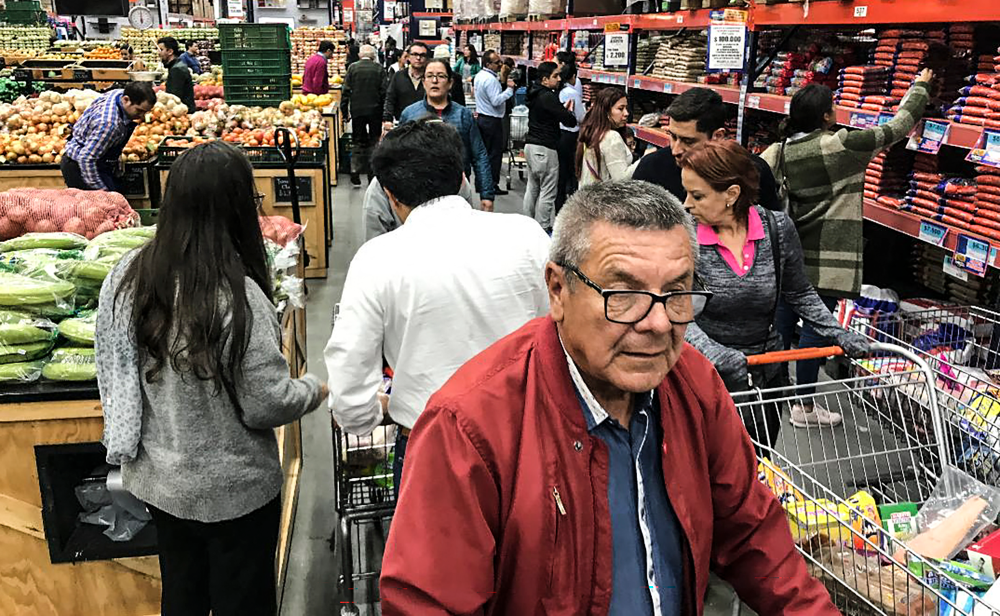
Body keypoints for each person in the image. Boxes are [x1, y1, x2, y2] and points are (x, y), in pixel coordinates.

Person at [379, 179, 841, 615]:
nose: (658, 323)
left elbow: (750, 532)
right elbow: (429, 602)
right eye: (623, 293)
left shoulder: (692, 385)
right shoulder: (471, 427)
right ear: (558, 290)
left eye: (677, 293)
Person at [96, 142, 328, 616]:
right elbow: (266, 403)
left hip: (161, 482)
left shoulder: (126, 275)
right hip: (236, 492)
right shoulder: (238, 297)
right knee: (241, 600)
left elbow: (115, 372)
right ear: (237, 209)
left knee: (183, 592)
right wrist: (314, 389)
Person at [325, 120, 550, 491]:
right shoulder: (528, 235)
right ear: (463, 178)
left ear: (390, 195)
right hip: (525, 439)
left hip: (432, 448)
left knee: (437, 549)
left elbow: (349, 386)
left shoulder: (377, 259)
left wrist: (369, 414)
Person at [762, 69, 933, 426]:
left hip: (788, 251)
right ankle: (804, 407)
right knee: (816, 327)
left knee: (781, 319)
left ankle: (770, 394)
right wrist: (920, 87)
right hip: (827, 256)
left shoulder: (780, 150)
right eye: (833, 106)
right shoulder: (840, 145)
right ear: (826, 115)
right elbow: (897, 127)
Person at [679, 140, 871, 446]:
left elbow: (799, 293)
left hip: (764, 373)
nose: (687, 204)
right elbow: (675, 310)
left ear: (731, 194)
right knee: (707, 464)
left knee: (757, 459)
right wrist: (718, 355)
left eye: (697, 195)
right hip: (702, 373)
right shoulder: (682, 234)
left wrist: (838, 333)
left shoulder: (776, 229)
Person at [632, 87, 782, 209]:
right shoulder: (651, 170)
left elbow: (768, 231)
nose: (675, 150)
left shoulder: (753, 172)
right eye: (673, 136)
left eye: (688, 141)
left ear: (717, 136)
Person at [399, 59, 494, 211]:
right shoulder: (410, 114)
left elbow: (479, 155)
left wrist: (487, 195)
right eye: (429, 76)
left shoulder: (463, 115)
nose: (434, 81)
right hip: (419, 195)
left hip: (457, 194)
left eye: (441, 76)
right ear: (423, 82)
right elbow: (400, 156)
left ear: (450, 83)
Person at [62, 82, 156, 191]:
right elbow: (86, 158)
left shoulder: (118, 94)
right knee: (102, 205)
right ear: (126, 100)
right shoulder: (109, 124)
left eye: (145, 112)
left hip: (97, 159)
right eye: (139, 110)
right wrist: (102, 192)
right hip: (81, 167)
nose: (142, 116)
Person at [523, 61, 578, 232]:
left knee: (532, 188)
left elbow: (550, 113)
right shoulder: (547, 96)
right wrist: (568, 112)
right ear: (545, 79)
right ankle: (543, 228)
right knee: (548, 191)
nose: (559, 79)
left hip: (531, 146)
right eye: (555, 76)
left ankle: (527, 225)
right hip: (545, 148)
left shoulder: (534, 93)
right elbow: (568, 120)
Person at [342, 44, 388, 187]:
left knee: (358, 140)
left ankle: (355, 170)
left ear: (360, 55)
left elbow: (345, 91)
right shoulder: (379, 69)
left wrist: (345, 112)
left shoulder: (352, 68)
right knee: (374, 140)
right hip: (375, 110)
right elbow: (384, 92)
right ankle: (372, 174)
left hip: (357, 110)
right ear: (373, 56)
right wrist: (385, 113)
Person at [474, 50, 516, 196]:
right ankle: (491, 185)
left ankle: (483, 183)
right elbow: (496, 100)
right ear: (488, 64)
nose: (500, 64)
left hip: (483, 118)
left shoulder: (481, 76)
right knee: (494, 155)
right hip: (491, 121)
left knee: (485, 154)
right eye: (497, 62)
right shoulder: (490, 80)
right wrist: (510, 90)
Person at [576, 86, 633, 186]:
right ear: (606, 111)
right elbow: (621, 179)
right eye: (620, 109)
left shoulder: (592, 134)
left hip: (586, 198)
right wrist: (645, 161)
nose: (626, 113)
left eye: (626, 108)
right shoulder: (611, 137)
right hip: (603, 199)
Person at [556, 61, 585, 210]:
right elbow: (580, 117)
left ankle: (559, 206)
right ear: (573, 76)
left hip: (559, 135)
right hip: (571, 136)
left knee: (561, 173)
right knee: (572, 173)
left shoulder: (559, 91)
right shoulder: (573, 93)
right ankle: (571, 205)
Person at [383, 41, 428, 131]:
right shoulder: (398, 76)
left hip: (426, 126)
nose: (418, 58)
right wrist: (387, 119)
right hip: (403, 125)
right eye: (415, 54)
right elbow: (390, 98)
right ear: (408, 57)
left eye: (422, 55)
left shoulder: (430, 78)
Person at [158, 36, 195, 114]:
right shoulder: (176, 66)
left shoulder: (177, 69)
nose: (159, 53)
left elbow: (174, 98)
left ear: (170, 51)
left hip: (182, 113)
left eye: (161, 50)